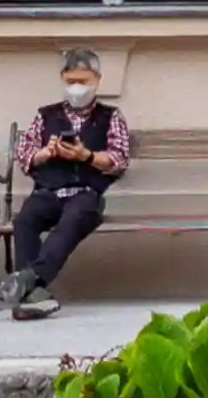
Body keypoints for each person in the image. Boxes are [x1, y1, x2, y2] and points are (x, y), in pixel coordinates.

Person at [8, 46, 132, 318]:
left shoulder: (111, 117)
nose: (77, 87)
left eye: (83, 81)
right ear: (62, 79)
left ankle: (28, 280)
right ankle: (34, 296)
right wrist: (46, 153)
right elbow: (25, 156)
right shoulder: (45, 115)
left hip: (86, 193)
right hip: (48, 191)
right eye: (71, 81)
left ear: (97, 81)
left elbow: (119, 159)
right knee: (24, 221)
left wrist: (85, 155)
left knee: (74, 218)